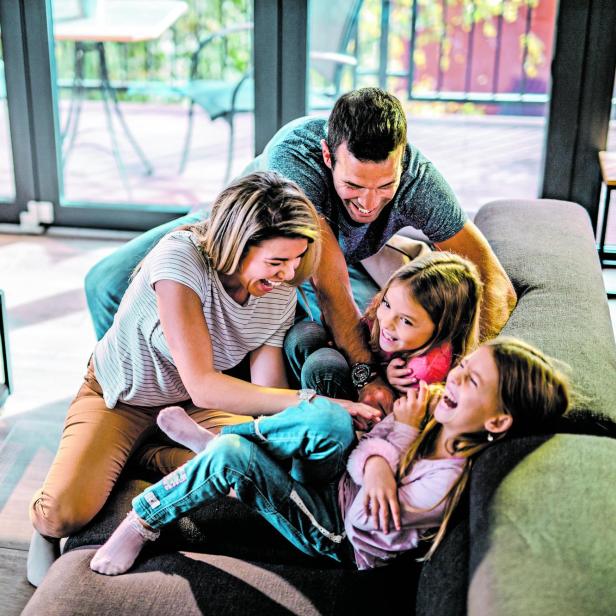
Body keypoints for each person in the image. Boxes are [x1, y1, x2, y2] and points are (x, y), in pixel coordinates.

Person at [27, 171, 380, 586]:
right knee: (63, 513)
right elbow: (203, 382)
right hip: (123, 397)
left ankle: (148, 451)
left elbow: (265, 391)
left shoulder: (278, 288)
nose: (288, 274)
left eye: (297, 260)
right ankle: (61, 509)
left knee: (260, 468)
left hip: (197, 408)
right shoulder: (180, 259)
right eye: (277, 261)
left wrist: (286, 427)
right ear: (237, 244)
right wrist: (317, 403)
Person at [84, 87, 517, 414]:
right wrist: (366, 377)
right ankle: (139, 405)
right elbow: (328, 286)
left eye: (385, 186)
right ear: (329, 156)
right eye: (353, 187)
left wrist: (464, 367)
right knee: (103, 283)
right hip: (237, 231)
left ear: (402, 160)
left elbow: (494, 281)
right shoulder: (295, 158)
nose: (368, 204)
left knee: (392, 328)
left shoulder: (421, 181)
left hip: (323, 261)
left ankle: (204, 397)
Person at [89, 337, 569, 575]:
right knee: (328, 420)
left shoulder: (443, 485)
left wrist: (392, 440)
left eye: (472, 383)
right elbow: (364, 459)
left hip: (334, 530)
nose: (455, 380)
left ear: (498, 422)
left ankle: (143, 519)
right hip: (339, 483)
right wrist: (380, 448)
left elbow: (364, 520)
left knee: (234, 455)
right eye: (463, 368)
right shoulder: (433, 419)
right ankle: (227, 445)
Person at [286, 251, 483, 399]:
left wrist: (389, 382)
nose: (387, 322)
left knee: (322, 366)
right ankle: (294, 402)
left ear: (444, 328)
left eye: (406, 320)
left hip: (372, 418)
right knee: (304, 334)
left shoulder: (425, 370)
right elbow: (364, 330)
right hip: (364, 374)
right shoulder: (384, 321)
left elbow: (401, 418)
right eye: (387, 304)